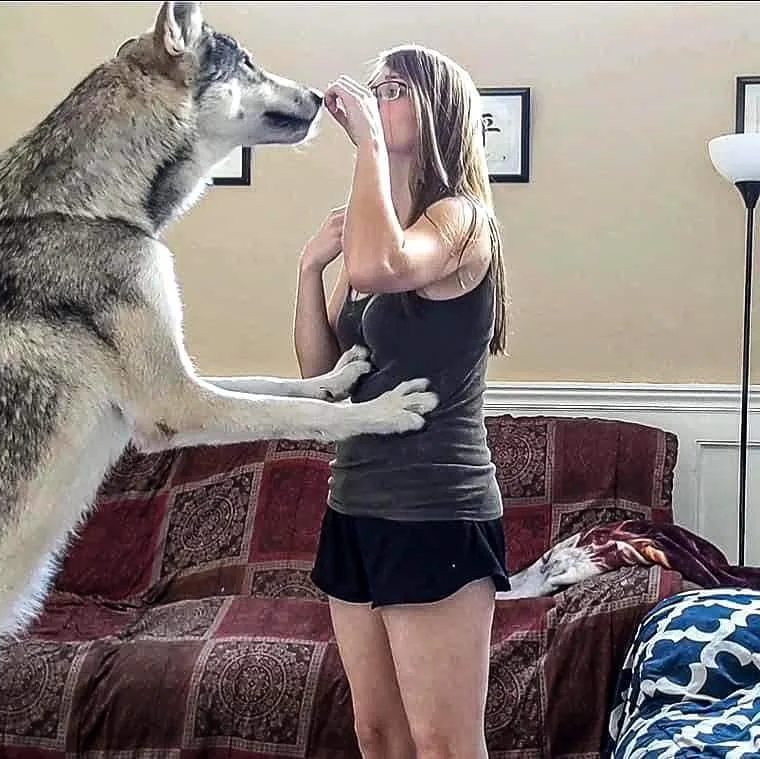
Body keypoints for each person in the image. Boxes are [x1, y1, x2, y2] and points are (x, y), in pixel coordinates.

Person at [293, 45, 511, 759]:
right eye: (375, 86)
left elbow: (380, 266)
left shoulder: (462, 220)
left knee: (443, 743)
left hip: (435, 509)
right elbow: (321, 372)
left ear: (436, 109)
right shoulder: (372, 229)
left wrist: (366, 151)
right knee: (377, 735)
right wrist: (307, 269)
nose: (376, 96)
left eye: (394, 88)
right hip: (354, 504)